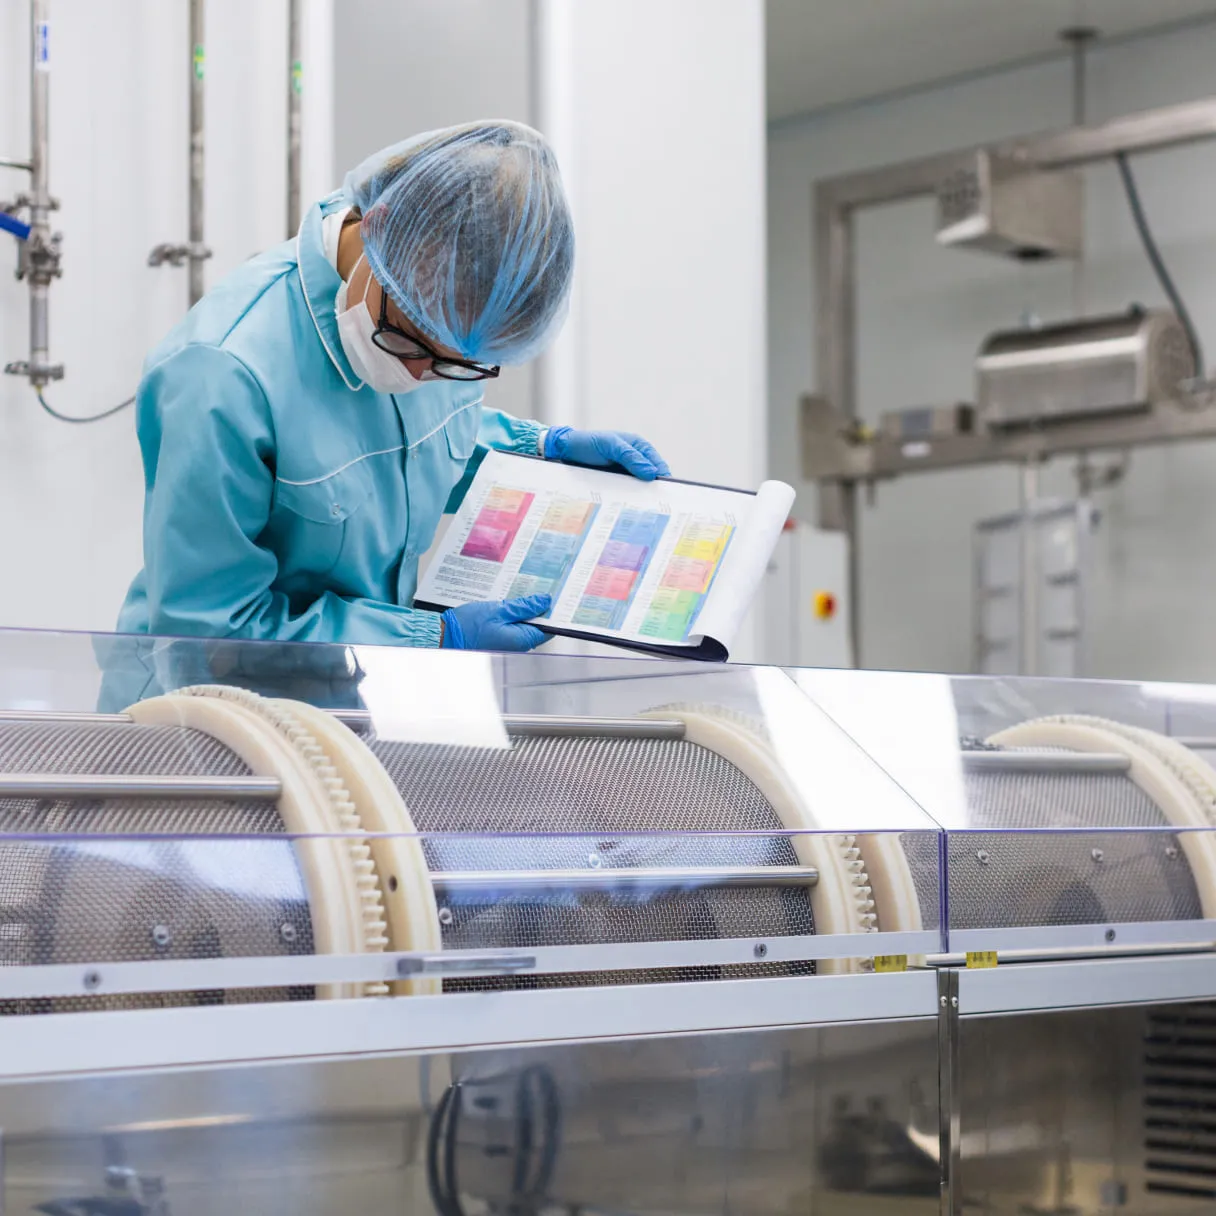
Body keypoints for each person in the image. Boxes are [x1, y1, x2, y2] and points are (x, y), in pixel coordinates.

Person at [115, 120, 668, 659]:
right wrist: (430, 638)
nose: (421, 376)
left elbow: (409, 446)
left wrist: (539, 452)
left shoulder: (424, 311)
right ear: (378, 226)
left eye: (457, 366)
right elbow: (210, 631)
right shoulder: (223, 373)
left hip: (348, 704)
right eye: (408, 343)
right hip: (211, 719)